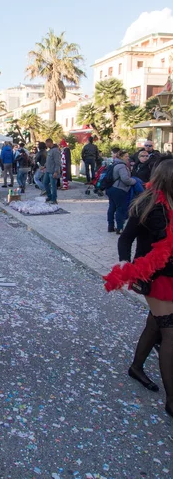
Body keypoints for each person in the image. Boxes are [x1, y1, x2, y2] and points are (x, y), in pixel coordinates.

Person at [104, 159, 173, 418]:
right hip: (155, 277)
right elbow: (126, 238)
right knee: (170, 335)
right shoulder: (148, 205)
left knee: (155, 326)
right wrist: (125, 266)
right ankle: (171, 402)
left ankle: (136, 367)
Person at [106, 150, 136, 233]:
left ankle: (110, 226)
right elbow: (125, 179)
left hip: (111, 188)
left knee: (112, 208)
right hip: (119, 189)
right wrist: (134, 181)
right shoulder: (122, 166)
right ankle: (119, 227)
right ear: (121, 157)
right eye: (126, 156)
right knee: (120, 208)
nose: (128, 158)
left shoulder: (114, 163)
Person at [42, 138, 61, 204]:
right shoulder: (50, 151)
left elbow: (58, 162)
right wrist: (44, 166)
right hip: (48, 170)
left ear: (50, 143)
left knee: (53, 185)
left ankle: (54, 199)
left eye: (47, 143)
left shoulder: (55, 151)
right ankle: (49, 196)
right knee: (45, 183)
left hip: (53, 171)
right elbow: (48, 160)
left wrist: (56, 171)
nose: (46, 145)